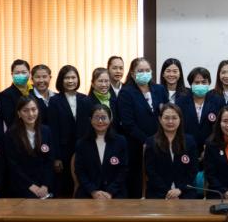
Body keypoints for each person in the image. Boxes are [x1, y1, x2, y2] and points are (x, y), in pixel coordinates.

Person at [117, 57, 167, 198]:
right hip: (136, 145)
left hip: (161, 143)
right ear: (132, 73)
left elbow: (167, 113)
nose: (144, 73)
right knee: (137, 181)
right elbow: (128, 124)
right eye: (140, 71)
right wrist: (147, 141)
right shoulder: (126, 93)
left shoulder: (159, 89)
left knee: (159, 177)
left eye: (147, 70)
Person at [48, 64, 93, 195]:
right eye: (66, 78)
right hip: (63, 151)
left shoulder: (85, 99)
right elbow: (53, 131)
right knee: (65, 186)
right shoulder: (54, 101)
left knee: (84, 182)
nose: (70, 81)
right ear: (61, 80)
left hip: (83, 148)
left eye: (73, 77)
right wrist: (56, 157)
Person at [4, 96, 56, 199]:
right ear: (19, 113)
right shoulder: (11, 134)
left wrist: (45, 185)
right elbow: (13, 165)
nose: (31, 114)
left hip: (44, 186)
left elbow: (49, 161)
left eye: (33, 109)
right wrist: (31, 186)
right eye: (25, 111)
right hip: (21, 186)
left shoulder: (46, 131)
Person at [144, 104, 199, 199]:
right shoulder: (151, 142)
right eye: (166, 118)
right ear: (160, 119)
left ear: (180, 119)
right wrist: (168, 192)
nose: (170, 121)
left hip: (184, 192)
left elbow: (193, 170)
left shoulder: (189, 141)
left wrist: (180, 189)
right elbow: (151, 171)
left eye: (174, 118)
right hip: (159, 193)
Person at [73, 105, 129, 199]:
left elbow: (123, 170)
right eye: (96, 118)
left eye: (103, 118)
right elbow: (80, 171)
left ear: (110, 119)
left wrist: (110, 192)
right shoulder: (81, 143)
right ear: (90, 120)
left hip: (115, 192)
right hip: (89, 192)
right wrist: (93, 191)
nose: (100, 121)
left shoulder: (120, 141)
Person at [175, 66, 224, 155]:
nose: (200, 85)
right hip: (186, 148)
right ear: (191, 84)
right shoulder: (180, 102)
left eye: (204, 82)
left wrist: (210, 145)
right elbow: (178, 127)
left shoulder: (218, 101)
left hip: (212, 148)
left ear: (209, 83)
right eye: (197, 82)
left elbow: (220, 127)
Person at [0, 59, 33, 127]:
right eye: (17, 73)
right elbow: (10, 121)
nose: (20, 75)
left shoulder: (34, 90)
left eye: (24, 72)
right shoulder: (6, 95)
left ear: (29, 73)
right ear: (12, 74)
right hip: (18, 133)